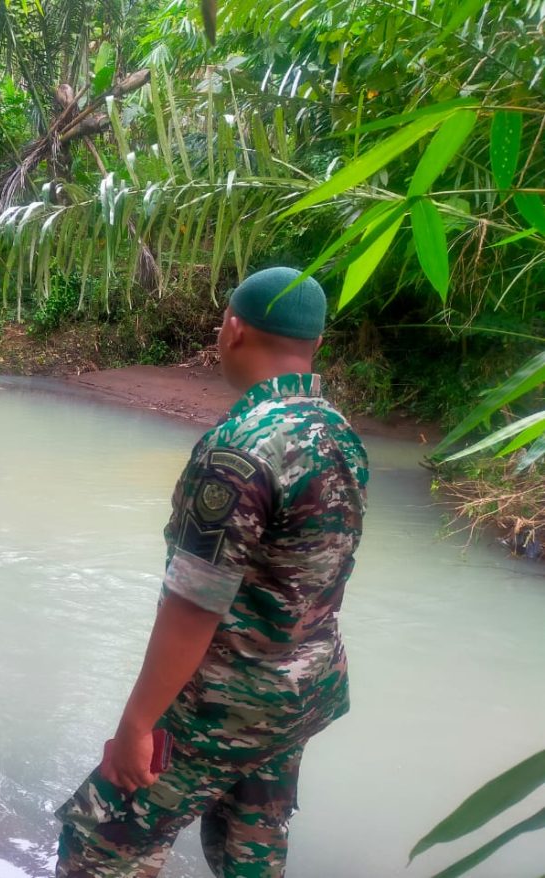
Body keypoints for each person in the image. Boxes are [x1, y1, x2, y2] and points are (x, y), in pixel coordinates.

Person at [55, 267, 369, 878]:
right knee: (248, 842)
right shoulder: (340, 434)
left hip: (227, 700)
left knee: (99, 843)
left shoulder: (238, 450)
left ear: (232, 330)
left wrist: (137, 724)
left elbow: (195, 603)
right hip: (306, 688)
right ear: (317, 346)